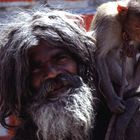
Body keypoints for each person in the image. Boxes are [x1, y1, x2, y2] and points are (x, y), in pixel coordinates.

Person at [0, 8, 96, 140]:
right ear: (23, 84)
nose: (51, 73)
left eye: (60, 59)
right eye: (35, 68)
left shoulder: (123, 121)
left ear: (80, 61)